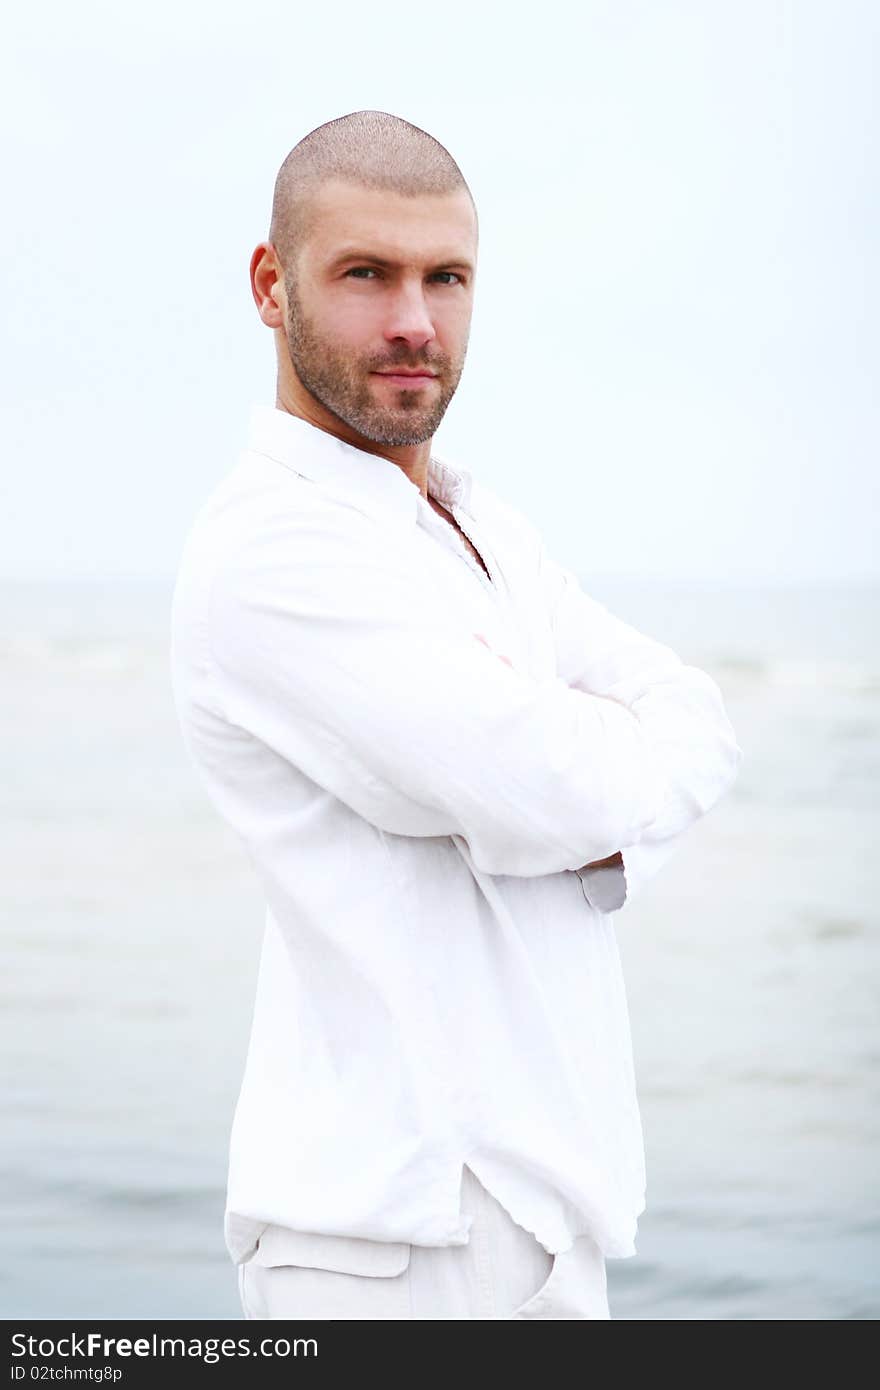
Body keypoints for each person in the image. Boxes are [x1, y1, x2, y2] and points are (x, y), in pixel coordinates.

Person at [169, 109, 743, 1321]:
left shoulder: (479, 519)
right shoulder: (273, 551)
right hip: (388, 1240)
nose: (413, 321)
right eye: (365, 274)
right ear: (271, 286)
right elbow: (543, 786)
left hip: (537, 1217)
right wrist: (582, 794)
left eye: (446, 277)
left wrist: (580, 797)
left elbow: (696, 719)